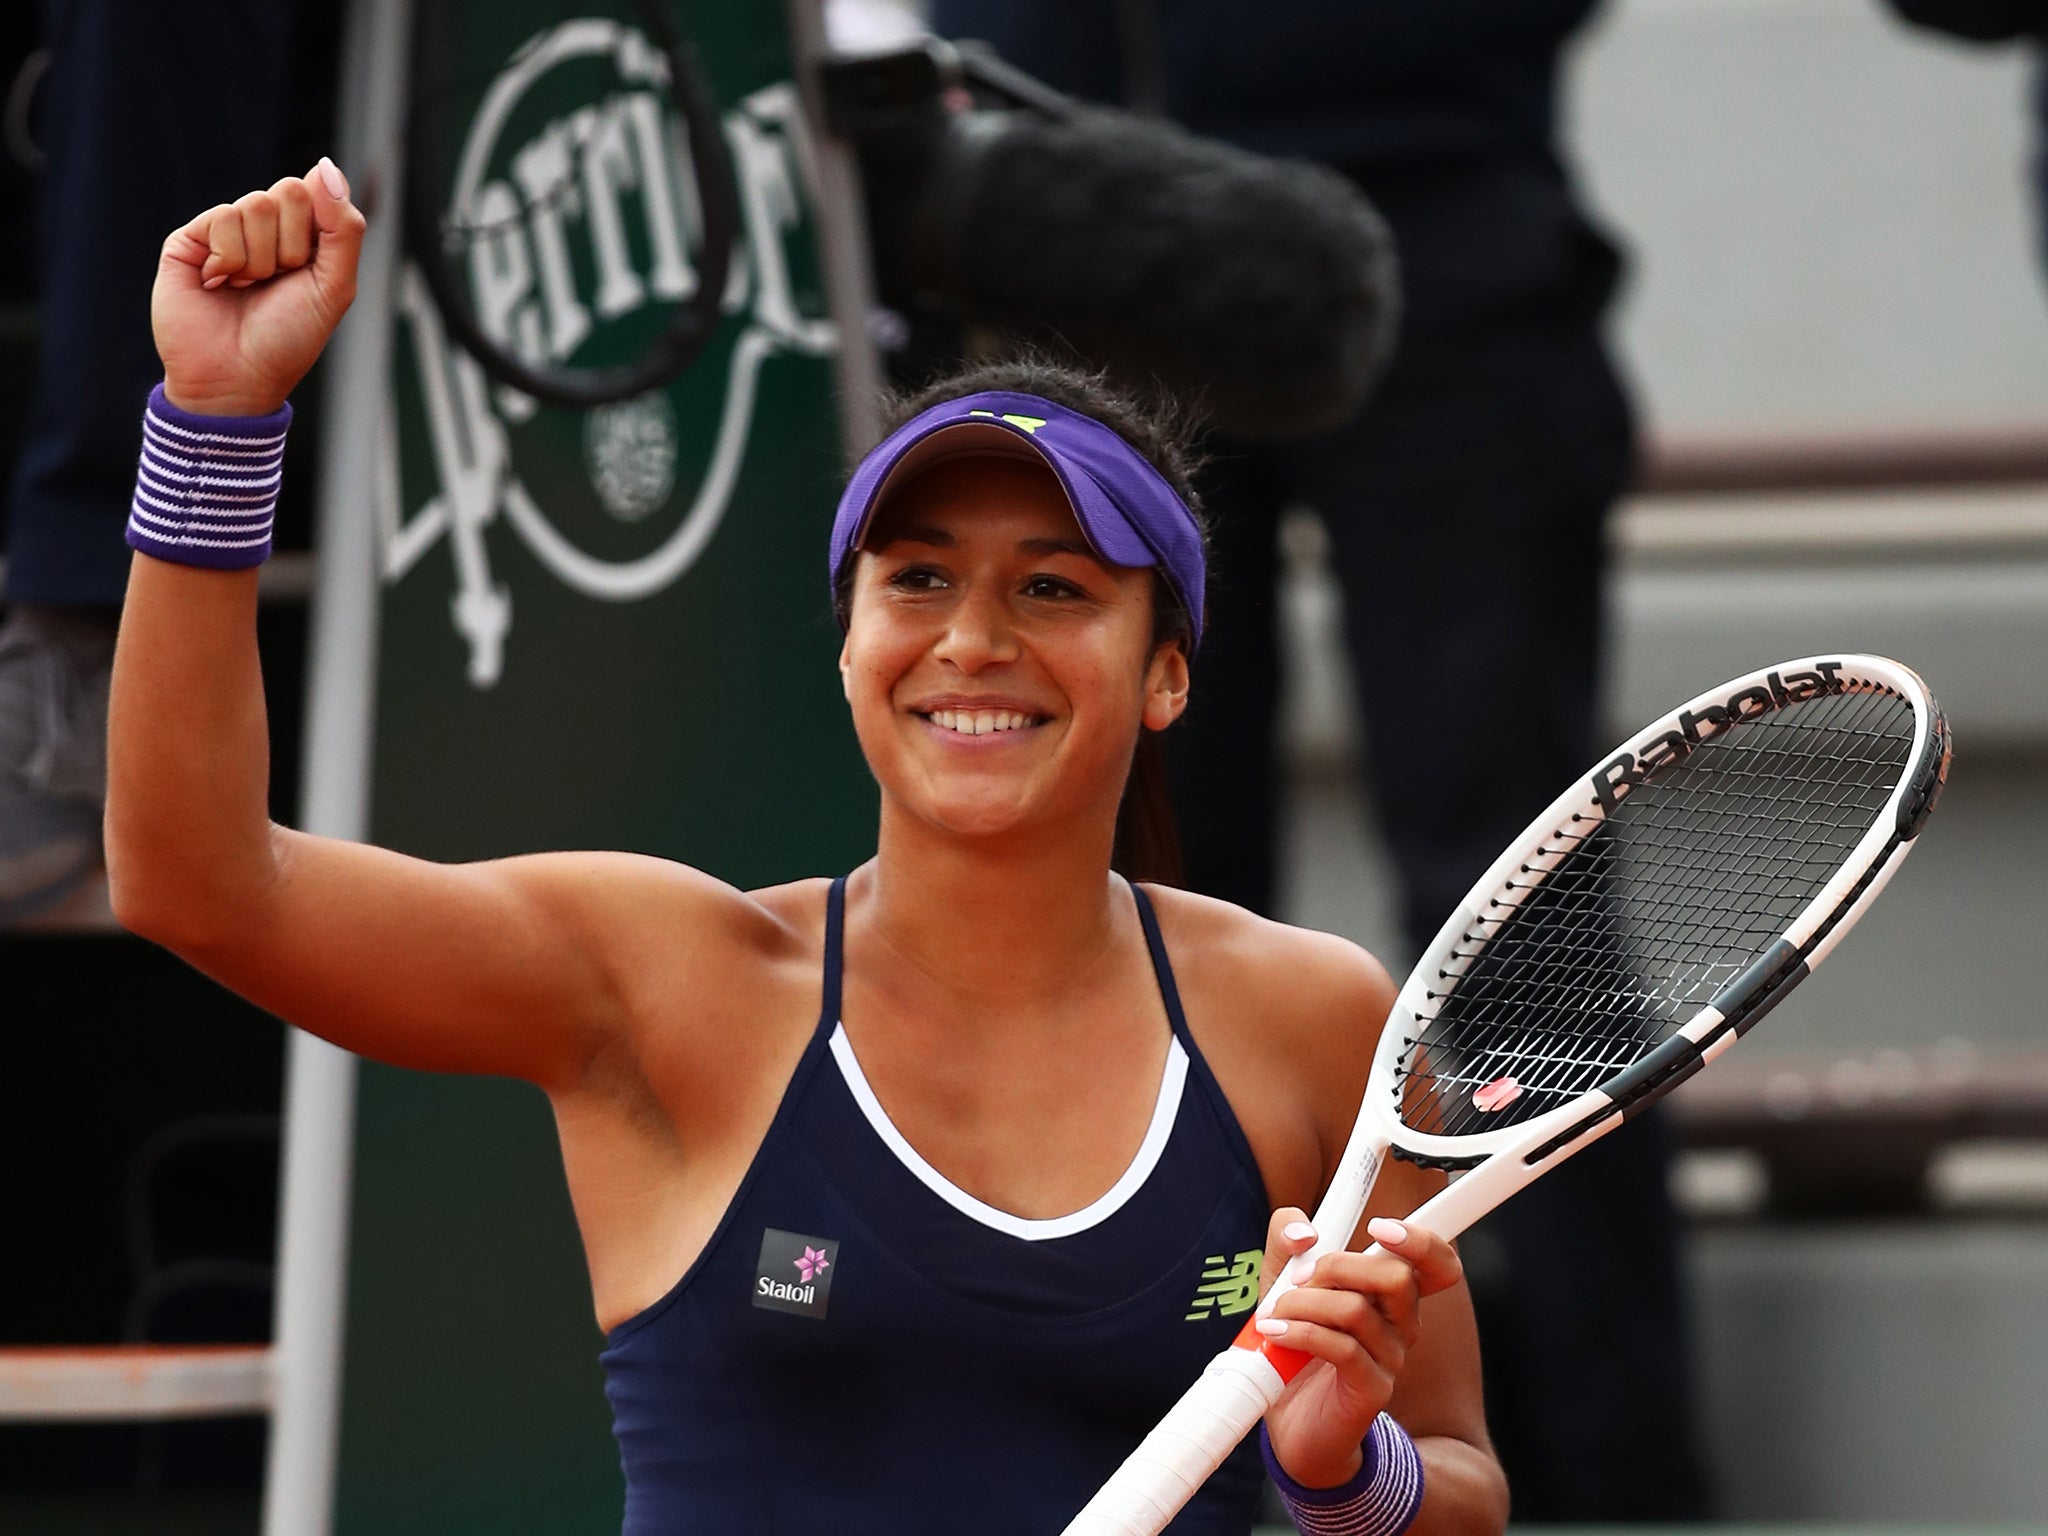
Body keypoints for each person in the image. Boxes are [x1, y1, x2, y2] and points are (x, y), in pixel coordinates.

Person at [105, 164, 1509, 1534]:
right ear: (848, 649)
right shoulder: (663, 979)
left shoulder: (1320, 1019)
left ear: (1167, 675)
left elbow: (1458, 1485)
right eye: (917, 578)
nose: (974, 639)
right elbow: (199, 883)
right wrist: (218, 420)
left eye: (1053, 586)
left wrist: (1342, 1478)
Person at [924, 4, 1707, 1518]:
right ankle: (1173, 1472)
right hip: (1080, 246)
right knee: (1134, 911)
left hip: (1433, 221)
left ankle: (1626, 1489)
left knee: (1524, 921)